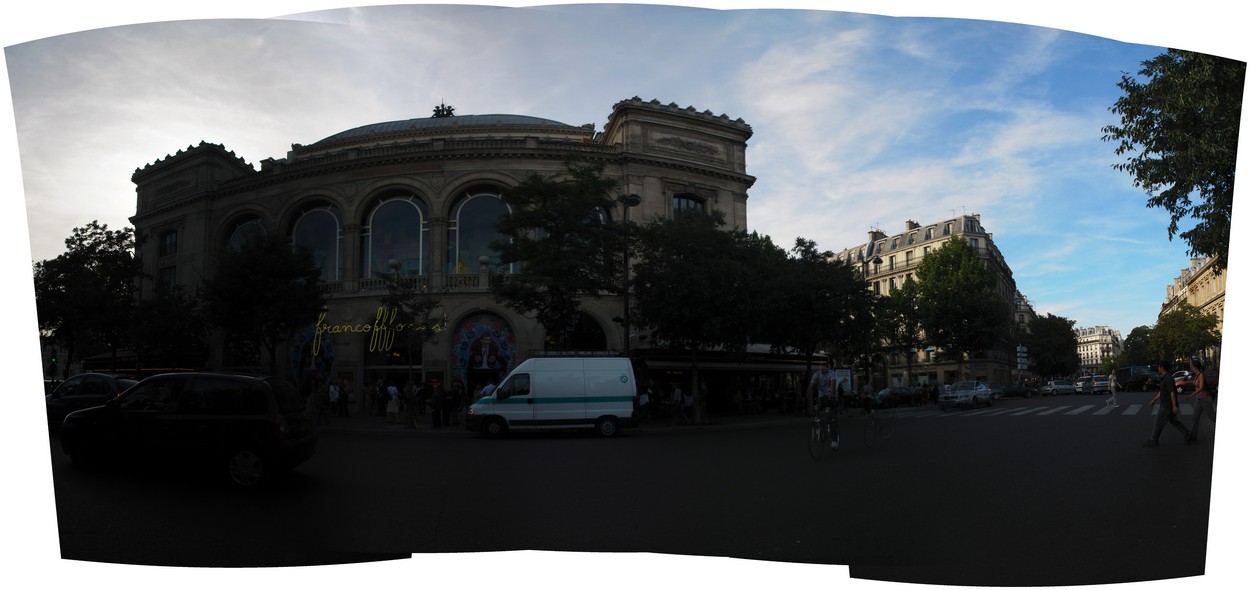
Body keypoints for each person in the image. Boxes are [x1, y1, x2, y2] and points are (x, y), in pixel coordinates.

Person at [1144, 360, 1192, 447]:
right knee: (1175, 422)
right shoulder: (1165, 377)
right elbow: (1162, 392)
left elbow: (1172, 392)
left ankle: (1154, 440)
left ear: (1162, 367)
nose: (1158, 368)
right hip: (1166, 404)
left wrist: (1174, 406)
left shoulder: (1168, 378)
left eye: (1158, 367)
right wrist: (1154, 400)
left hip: (1167, 405)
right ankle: (1188, 434)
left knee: (1158, 422)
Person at [806, 362, 839, 449]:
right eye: (821, 366)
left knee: (831, 419)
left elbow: (833, 384)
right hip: (821, 397)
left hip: (831, 397)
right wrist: (806, 395)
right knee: (818, 415)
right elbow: (811, 386)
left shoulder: (832, 373)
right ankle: (819, 430)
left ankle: (834, 440)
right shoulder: (816, 375)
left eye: (825, 366)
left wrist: (831, 393)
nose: (823, 368)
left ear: (827, 368)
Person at [1185, 359, 1216, 444]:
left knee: (1212, 417)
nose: (1190, 367)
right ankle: (1193, 436)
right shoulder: (1196, 375)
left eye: (1191, 365)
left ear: (1195, 367)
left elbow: (1201, 387)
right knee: (1195, 418)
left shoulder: (1201, 375)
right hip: (1199, 400)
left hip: (1205, 399)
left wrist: (1191, 395)